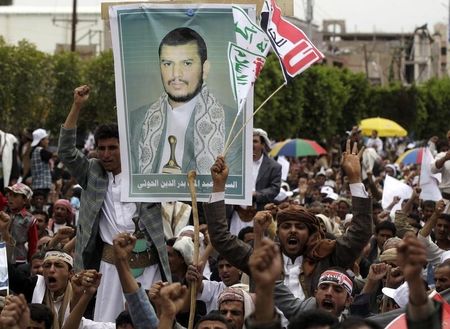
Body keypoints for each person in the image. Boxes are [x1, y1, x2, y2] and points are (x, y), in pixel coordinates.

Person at [57, 85, 171, 322]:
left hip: (148, 266)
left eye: (113, 148)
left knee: (149, 322)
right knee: (107, 323)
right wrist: (77, 106)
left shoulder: (146, 174)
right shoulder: (93, 172)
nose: (106, 154)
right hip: (109, 268)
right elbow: (66, 151)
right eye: (102, 149)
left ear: (125, 148)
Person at [131, 27, 225, 175]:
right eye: (168, 64)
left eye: (187, 63)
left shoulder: (231, 124)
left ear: (204, 69)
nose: (176, 74)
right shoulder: (136, 121)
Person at [229, 128, 282, 235]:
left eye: (255, 141)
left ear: (263, 145)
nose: (251, 144)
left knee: (257, 246)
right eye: (249, 141)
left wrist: (256, 194)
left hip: (259, 215)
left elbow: (274, 189)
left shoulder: (274, 166)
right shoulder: (236, 164)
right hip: (237, 214)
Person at [30, 128, 53, 198]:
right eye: (46, 139)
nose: (48, 141)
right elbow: (52, 155)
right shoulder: (40, 151)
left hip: (36, 185)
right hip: (43, 185)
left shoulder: (33, 151)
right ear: (41, 141)